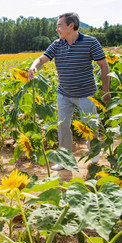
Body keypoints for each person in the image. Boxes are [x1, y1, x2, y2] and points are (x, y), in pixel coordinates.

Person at [28, 12, 111, 171]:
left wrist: (105, 89)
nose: (57, 29)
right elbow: (41, 59)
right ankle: (65, 160)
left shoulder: (90, 42)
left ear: (71, 25)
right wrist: (33, 67)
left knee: (90, 124)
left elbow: (103, 65)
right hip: (64, 94)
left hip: (86, 93)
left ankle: (93, 151)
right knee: (63, 127)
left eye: (60, 25)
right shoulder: (57, 44)